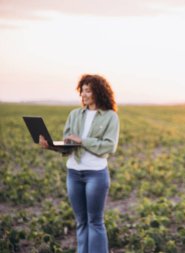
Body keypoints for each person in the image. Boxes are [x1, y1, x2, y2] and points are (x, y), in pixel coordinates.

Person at [39, 74, 119, 253]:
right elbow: (68, 146)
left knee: (95, 222)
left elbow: (109, 146)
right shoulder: (74, 114)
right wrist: (51, 146)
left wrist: (82, 140)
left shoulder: (110, 117)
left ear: (98, 92)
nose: (83, 94)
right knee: (81, 222)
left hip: (96, 174)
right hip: (73, 173)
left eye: (88, 90)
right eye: (82, 90)